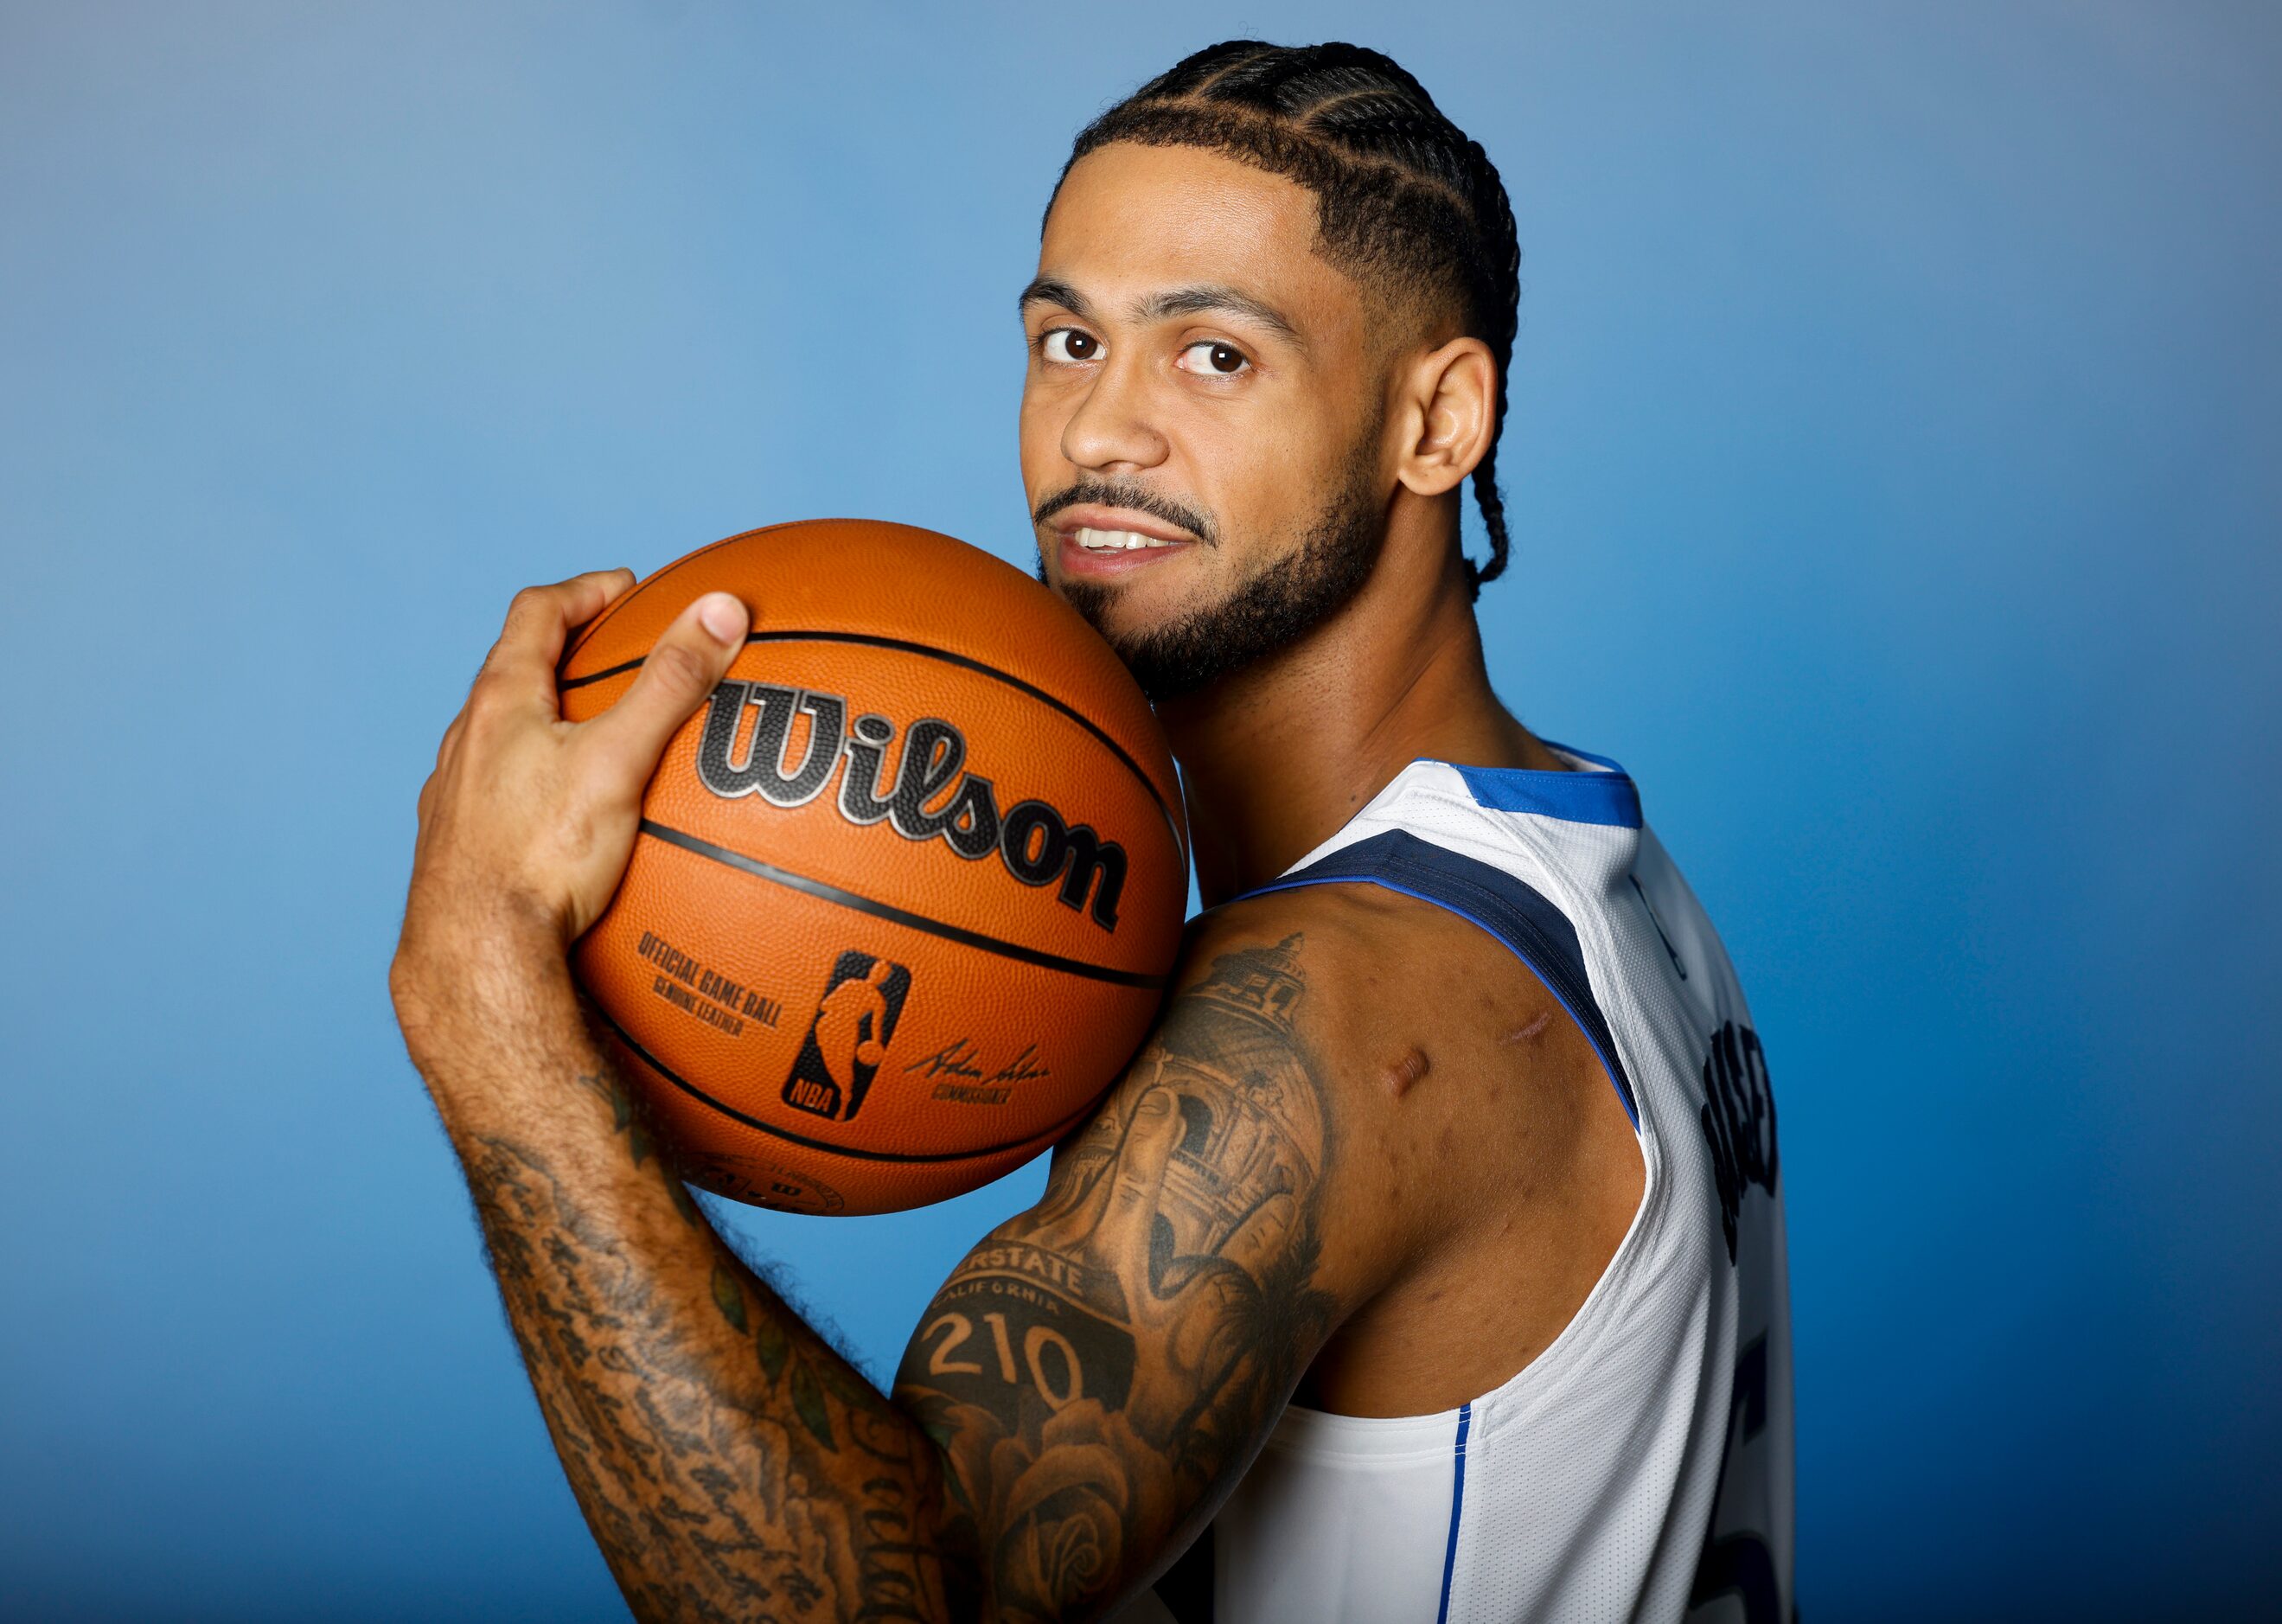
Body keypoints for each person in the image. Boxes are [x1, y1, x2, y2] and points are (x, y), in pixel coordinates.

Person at [390, 39, 1792, 1624]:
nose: (1097, 434)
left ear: (1439, 421)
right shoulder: (1601, 865)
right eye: (1068, 340)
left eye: (1213, 356)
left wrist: (484, 1002)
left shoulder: (1348, 1008)